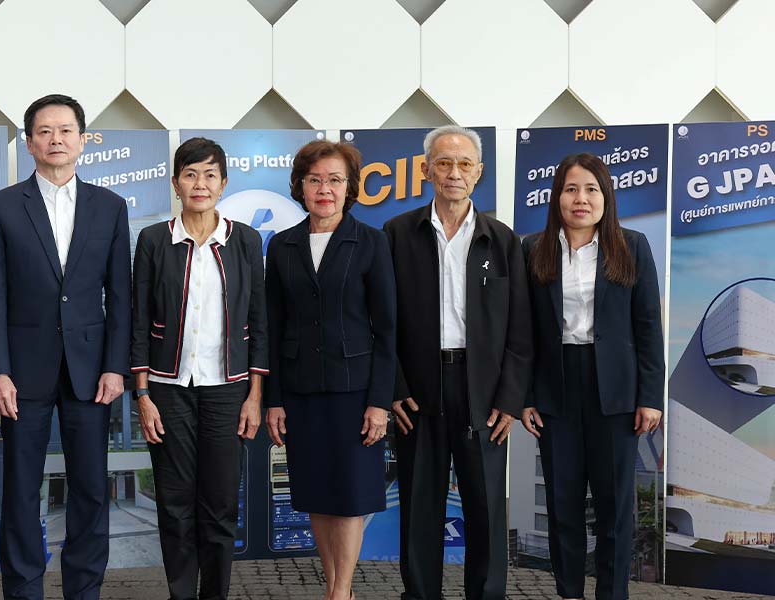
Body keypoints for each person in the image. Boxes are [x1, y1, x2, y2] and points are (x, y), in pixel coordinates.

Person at [0, 94, 131, 600]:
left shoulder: (109, 207)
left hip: (92, 371)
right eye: (44, 131)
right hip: (22, 372)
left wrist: (115, 366)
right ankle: (24, 590)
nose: (56, 139)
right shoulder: (0, 207)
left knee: (90, 488)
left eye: (66, 130)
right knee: (21, 488)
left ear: (83, 140)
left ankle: (84, 590)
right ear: (29, 143)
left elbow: (121, 295)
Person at [383, 125, 532, 600]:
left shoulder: (502, 240)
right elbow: (381, 321)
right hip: (418, 390)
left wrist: (510, 399)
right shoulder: (397, 234)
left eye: (464, 163)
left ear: (479, 172)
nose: (454, 172)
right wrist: (394, 386)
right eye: (444, 163)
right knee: (419, 505)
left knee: (486, 506)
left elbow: (521, 328)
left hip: (483, 391)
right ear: (426, 171)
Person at [130, 137, 268, 600]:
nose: (200, 184)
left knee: (220, 504)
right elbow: (138, 319)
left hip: (228, 390)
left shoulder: (244, 240)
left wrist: (254, 396)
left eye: (210, 175)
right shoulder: (154, 240)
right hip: (168, 390)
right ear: (176, 183)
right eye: (190, 174)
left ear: (224, 183)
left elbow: (259, 321)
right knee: (174, 503)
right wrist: (143, 395)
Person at [521, 153, 663, 600]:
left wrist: (650, 396)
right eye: (571, 189)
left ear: (606, 197)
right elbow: (523, 330)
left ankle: (612, 594)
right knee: (562, 503)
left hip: (617, 394)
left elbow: (648, 326)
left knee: (614, 506)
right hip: (556, 389)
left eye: (591, 189)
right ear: (556, 197)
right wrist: (525, 395)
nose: (580, 199)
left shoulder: (631, 246)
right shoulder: (533, 249)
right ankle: (568, 593)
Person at [263, 140, 396, 600]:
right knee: (316, 494)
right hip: (300, 390)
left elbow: (388, 329)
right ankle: (336, 588)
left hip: (354, 392)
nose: (325, 189)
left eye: (335, 180)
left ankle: (341, 591)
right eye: (315, 179)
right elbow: (273, 327)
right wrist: (274, 399)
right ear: (300, 186)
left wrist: (380, 402)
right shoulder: (282, 245)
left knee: (350, 497)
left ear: (350, 187)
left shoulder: (372, 242)